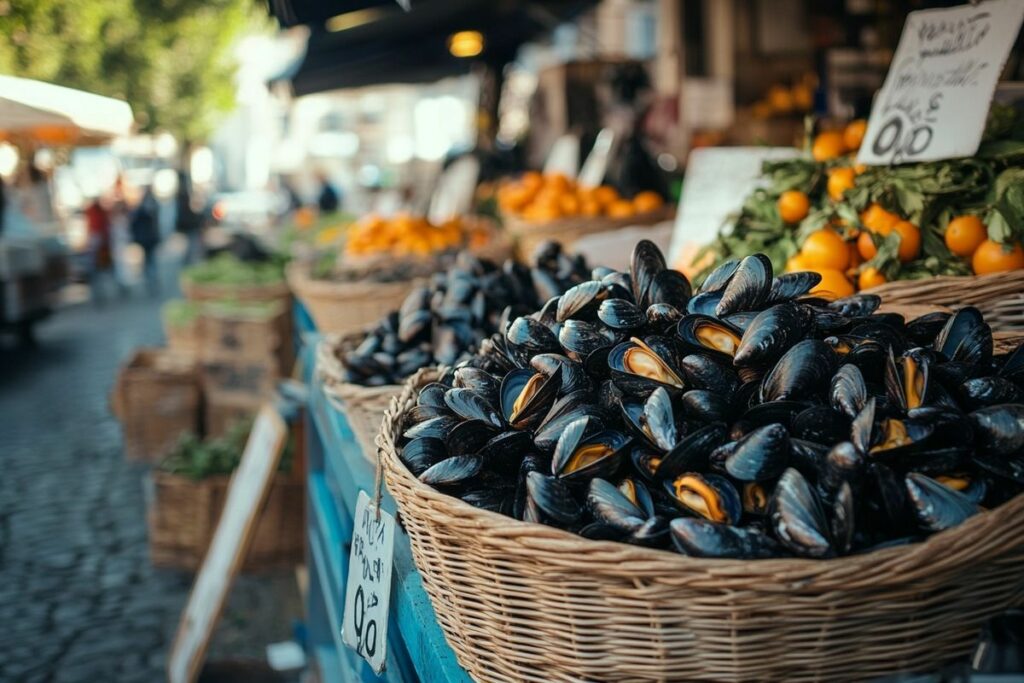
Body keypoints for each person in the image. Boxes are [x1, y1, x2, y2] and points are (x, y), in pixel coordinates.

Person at [131, 186, 161, 296]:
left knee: (149, 260)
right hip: (148, 239)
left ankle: (151, 279)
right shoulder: (152, 207)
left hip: (146, 239)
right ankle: (152, 279)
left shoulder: (142, 209)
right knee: (150, 260)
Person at [84, 198, 114, 304]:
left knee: (98, 273)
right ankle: (99, 294)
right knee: (102, 273)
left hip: (100, 250)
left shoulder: (95, 215)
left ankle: (99, 294)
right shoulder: (99, 214)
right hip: (102, 249)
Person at [175, 171, 203, 264]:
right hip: (190, 226)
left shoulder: (181, 195)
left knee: (192, 250)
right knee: (192, 250)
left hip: (189, 226)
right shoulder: (184, 195)